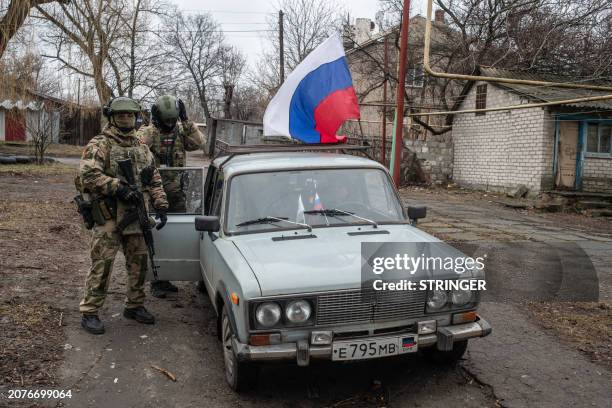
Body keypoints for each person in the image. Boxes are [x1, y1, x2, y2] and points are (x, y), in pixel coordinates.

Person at [77, 97, 169, 335]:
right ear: (112, 117)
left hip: (135, 213)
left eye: (130, 115)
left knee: (139, 261)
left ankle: (134, 305)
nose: (126, 119)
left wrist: (161, 204)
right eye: (121, 115)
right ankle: (90, 311)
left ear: (136, 117)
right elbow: (87, 175)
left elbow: (153, 177)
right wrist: (117, 187)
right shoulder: (100, 144)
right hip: (108, 214)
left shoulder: (141, 146)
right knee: (102, 263)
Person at [137, 95, 204, 298]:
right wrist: (153, 127)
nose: (169, 125)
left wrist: (186, 121)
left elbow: (199, 143)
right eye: (166, 120)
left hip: (176, 190)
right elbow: (137, 145)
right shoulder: (148, 133)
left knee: (178, 233)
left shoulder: (180, 131)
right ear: (157, 117)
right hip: (153, 192)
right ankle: (158, 280)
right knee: (156, 235)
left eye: (172, 120)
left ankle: (173, 273)